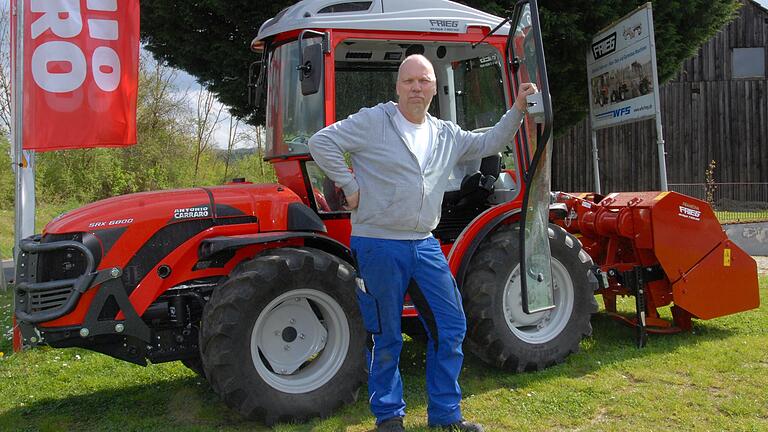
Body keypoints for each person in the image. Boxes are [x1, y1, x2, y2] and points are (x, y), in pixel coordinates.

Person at [309, 54, 537, 432]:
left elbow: (490, 141)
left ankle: (446, 415)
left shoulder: (445, 133)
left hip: (424, 243)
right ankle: (388, 416)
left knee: (450, 327)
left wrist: (515, 109)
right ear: (397, 87)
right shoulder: (373, 121)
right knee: (385, 335)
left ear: (433, 87)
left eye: (424, 81)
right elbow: (322, 142)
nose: (417, 87)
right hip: (378, 243)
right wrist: (350, 186)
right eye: (409, 81)